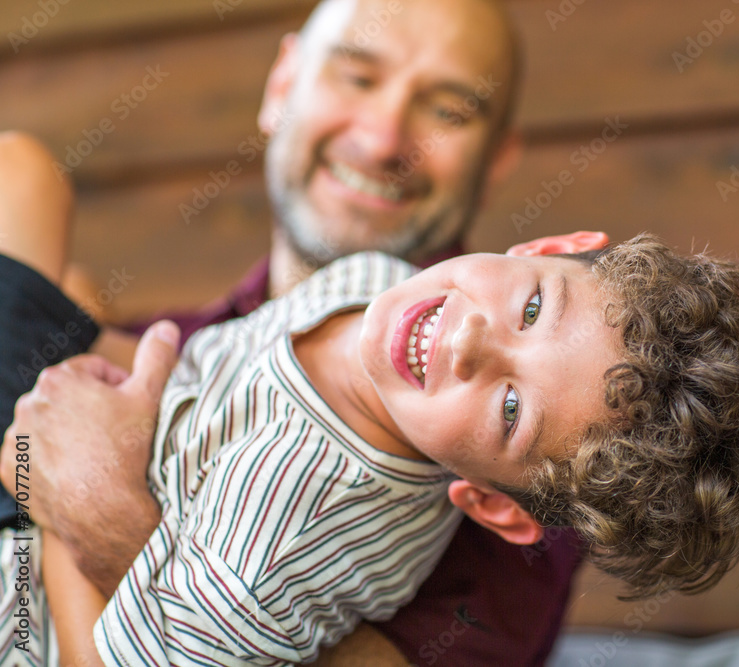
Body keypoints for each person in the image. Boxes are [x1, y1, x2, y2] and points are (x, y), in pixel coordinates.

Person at [0, 137, 739, 665]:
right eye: (533, 306)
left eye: (512, 410)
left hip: (25, 587)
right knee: (22, 177)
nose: (471, 340)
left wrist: (48, 480)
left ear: (491, 505)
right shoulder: (382, 281)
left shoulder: (287, 532)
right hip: (83, 428)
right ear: (551, 246)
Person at [0, 0, 578, 663]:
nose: (384, 137)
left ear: (497, 158)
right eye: (357, 77)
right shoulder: (194, 339)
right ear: (281, 88)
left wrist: (81, 503)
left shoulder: (533, 477)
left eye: (449, 109)